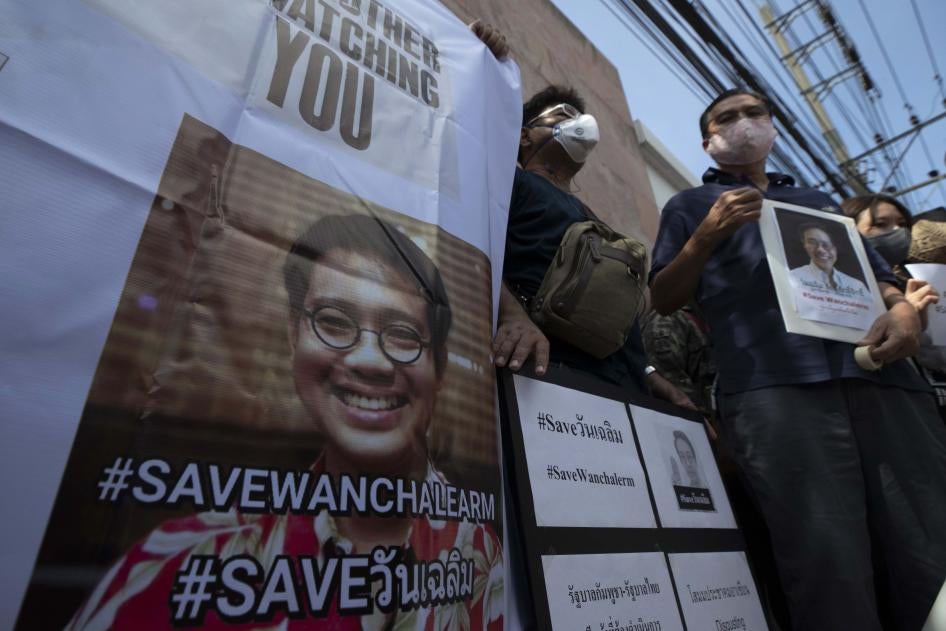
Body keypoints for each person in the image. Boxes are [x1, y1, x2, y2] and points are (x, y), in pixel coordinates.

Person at [66, 214, 503, 630]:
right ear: (294, 335)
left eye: (404, 334)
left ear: (439, 366)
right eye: (334, 322)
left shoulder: (486, 559)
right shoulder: (175, 565)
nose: (370, 361)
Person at [650, 88, 946, 630]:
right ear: (708, 142)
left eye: (755, 113)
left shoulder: (818, 201)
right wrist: (706, 236)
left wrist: (903, 310)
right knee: (826, 566)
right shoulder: (690, 206)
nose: (744, 123)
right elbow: (664, 297)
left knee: (928, 548)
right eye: (727, 118)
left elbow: (880, 277)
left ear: (773, 125)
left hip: (882, 380)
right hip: (777, 394)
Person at [494, 85, 691, 406]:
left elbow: (617, 318)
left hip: (627, 389)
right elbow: (473, 245)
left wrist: (651, 375)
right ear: (524, 136)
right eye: (563, 115)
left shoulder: (594, 221)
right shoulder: (512, 182)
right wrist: (511, 314)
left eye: (580, 116)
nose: (581, 123)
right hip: (551, 375)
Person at [788, 223, 870, 298]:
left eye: (826, 244)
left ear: (836, 249)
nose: (820, 250)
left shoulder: (857, 286)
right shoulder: (792, 278)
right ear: (804, 246)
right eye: (812, 242)